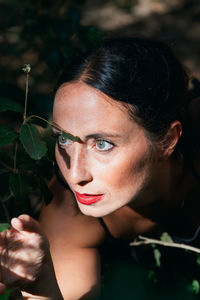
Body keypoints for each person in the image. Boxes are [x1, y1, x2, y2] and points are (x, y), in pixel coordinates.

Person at [0, 37, 200, 299]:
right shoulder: (69, 213)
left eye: (103, 144)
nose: (74, 175)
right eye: (64, 138)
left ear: (168, 140)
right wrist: (42, 285)